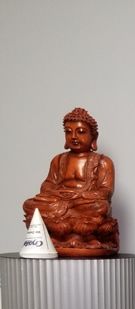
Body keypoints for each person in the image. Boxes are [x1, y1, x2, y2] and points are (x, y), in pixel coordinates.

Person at [23, 107, 119, 256]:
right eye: (68, 132)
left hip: (84, 204)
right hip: (59, 202)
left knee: (101, 207)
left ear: (94, 137)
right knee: (29, 204)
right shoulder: (58, 160)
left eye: (81, 132)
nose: (74, 136)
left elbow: (106, 192)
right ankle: (71, 234)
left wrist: (78, 196)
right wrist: (60, 194)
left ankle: (71, 234)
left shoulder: (103, 162)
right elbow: (47, 185)